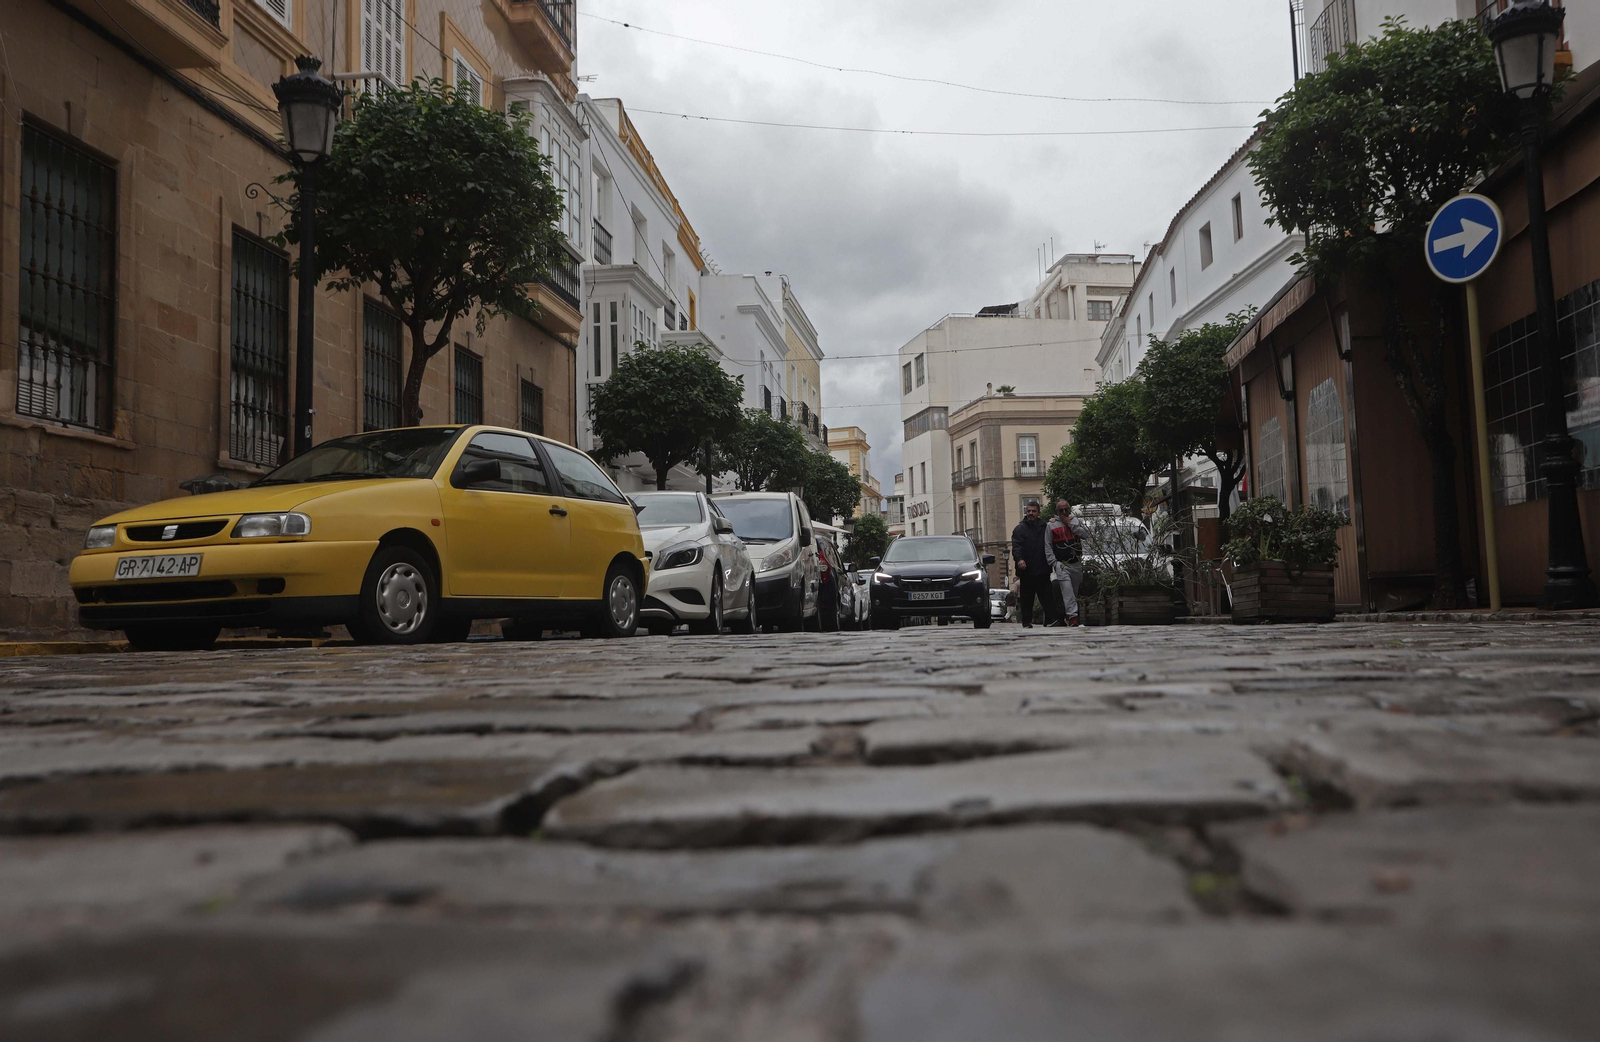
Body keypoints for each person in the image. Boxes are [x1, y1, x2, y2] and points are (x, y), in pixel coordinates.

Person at [1009, 501, 1056, 628]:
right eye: (1029, 511)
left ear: (1038, 512)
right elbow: (1016, 547)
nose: (1030, 513)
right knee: (1026, 598)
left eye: (1033, 511)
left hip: (1042, 568)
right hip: (1026, 570)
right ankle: (1026, 622)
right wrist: (1019, 559)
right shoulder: (1020, 529)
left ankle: (1051, 620)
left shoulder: (1045, 527)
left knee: (1047, 596)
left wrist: (1054, 521)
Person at [1044, 497, 1089, 627]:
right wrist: (1054, 562)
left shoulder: (1076, 522)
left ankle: (1069, 615)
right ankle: (1073, 617)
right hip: (1061, 563)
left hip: (1076, 562)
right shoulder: (1051, 525)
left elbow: (1085, 535)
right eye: (1061, 510)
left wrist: (1070, 524)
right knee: (1067, 590)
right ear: (1057, 511)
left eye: (1066, 509)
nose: (1064, 512)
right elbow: (1047, 545)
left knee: (1073, 591)